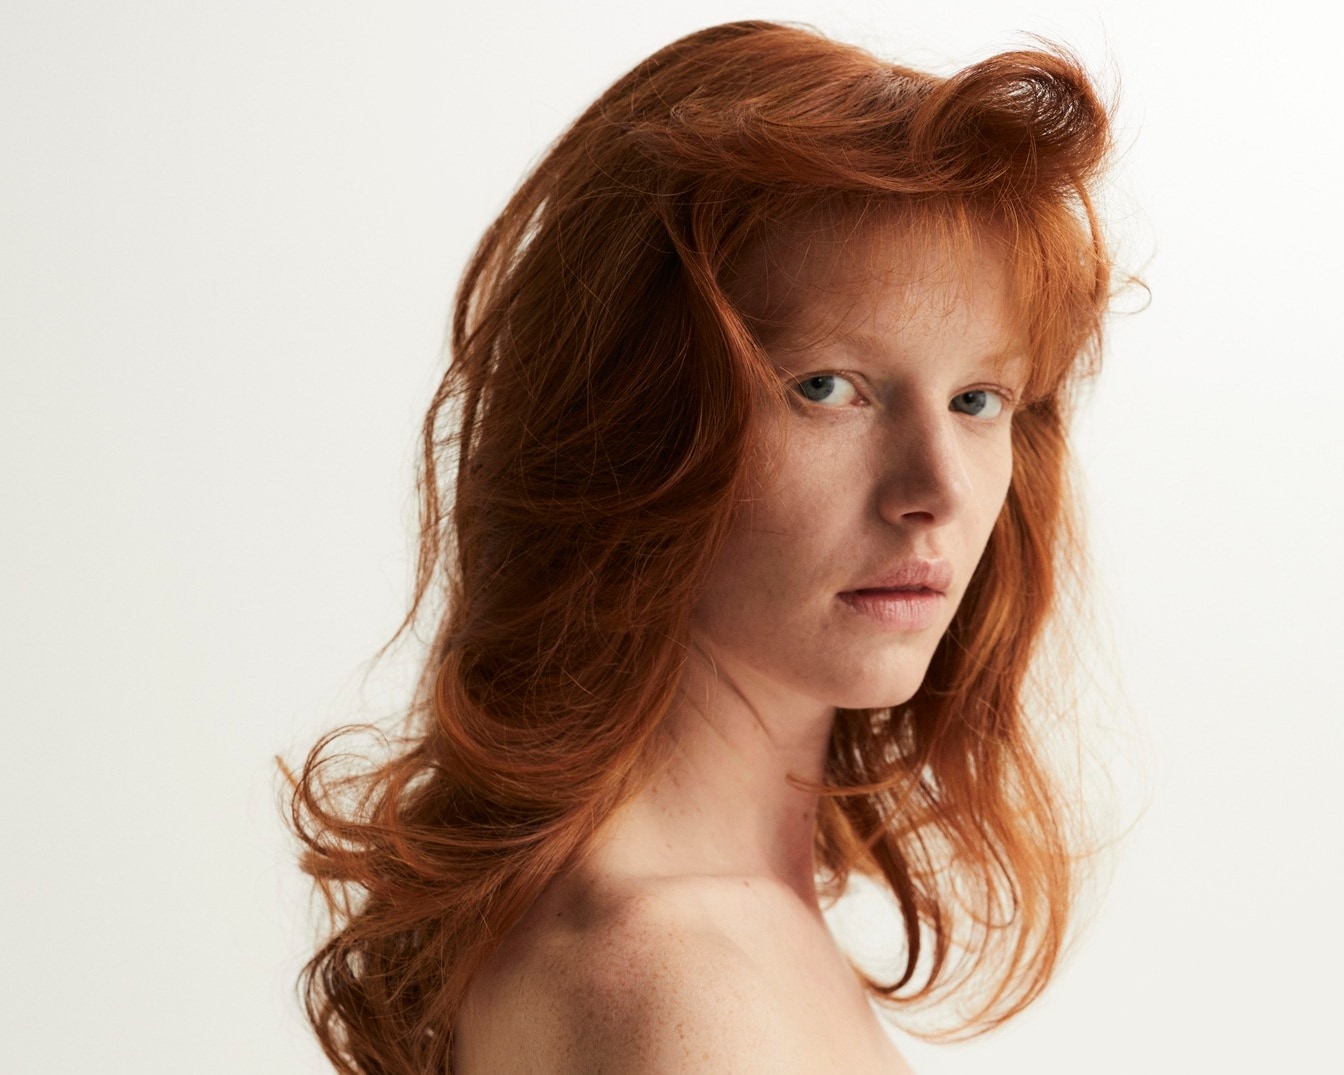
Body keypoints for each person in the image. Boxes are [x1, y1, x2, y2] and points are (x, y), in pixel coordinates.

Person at [286, 19, 1116, 1074]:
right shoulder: (684, 985)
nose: (937, 490)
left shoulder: (711, 925)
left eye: (976, 398)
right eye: (827, 388)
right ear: (627, 420)